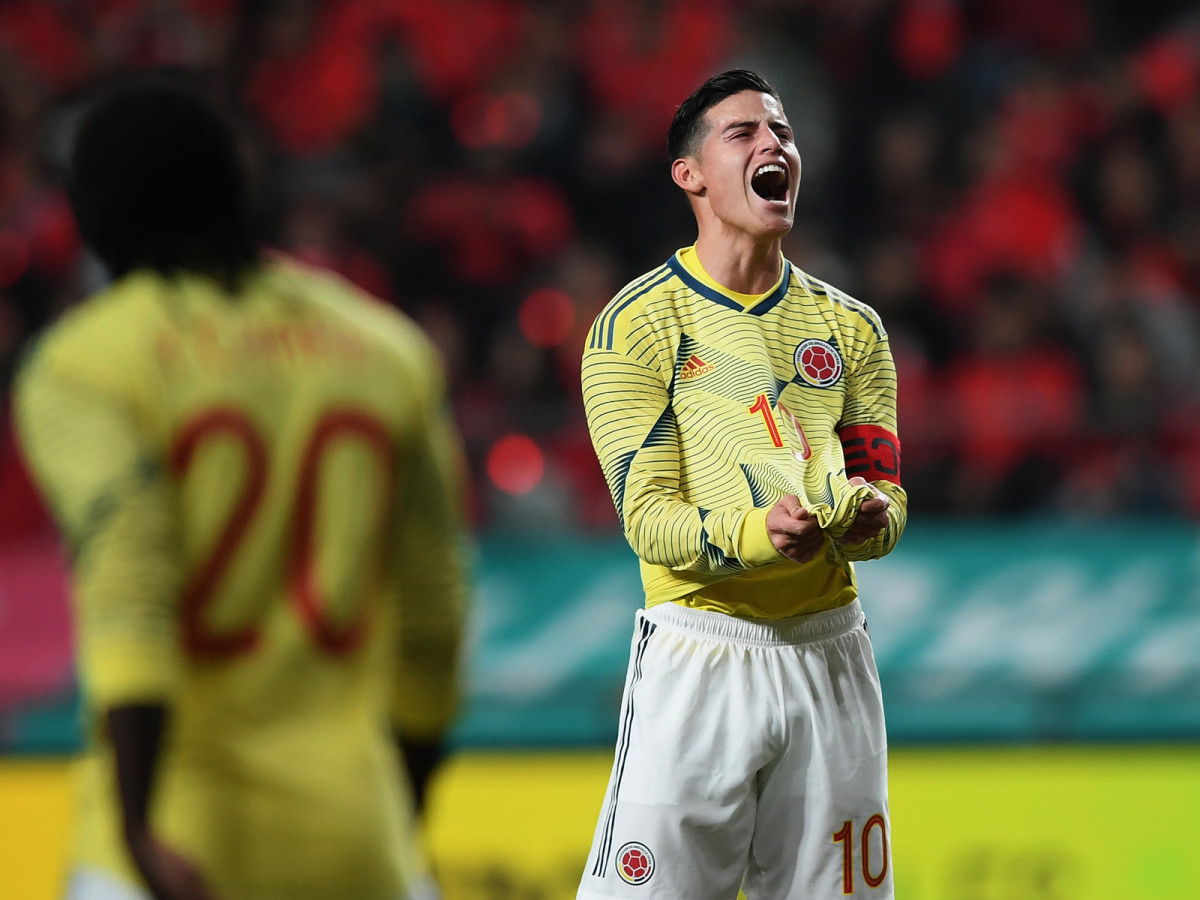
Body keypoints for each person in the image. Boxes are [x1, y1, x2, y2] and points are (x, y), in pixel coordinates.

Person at [14, 79, 467, 900]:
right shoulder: (384, 349)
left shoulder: (84, 364)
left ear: (92, 213)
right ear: (238, 188)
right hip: (357, 841)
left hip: (172, 836)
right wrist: (402, 805)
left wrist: (139, 827)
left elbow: (130, 579)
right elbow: (435, 611)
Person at [577, 69, 907, 899]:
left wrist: (871, 520)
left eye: (783, 132)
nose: (774, 145)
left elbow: (886, 488)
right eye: (744, 133)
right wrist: (763, 535)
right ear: (689, 175)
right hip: (700, 654)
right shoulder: (635, 326)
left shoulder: (853, 329)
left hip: (831, 653)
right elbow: (648, 519)